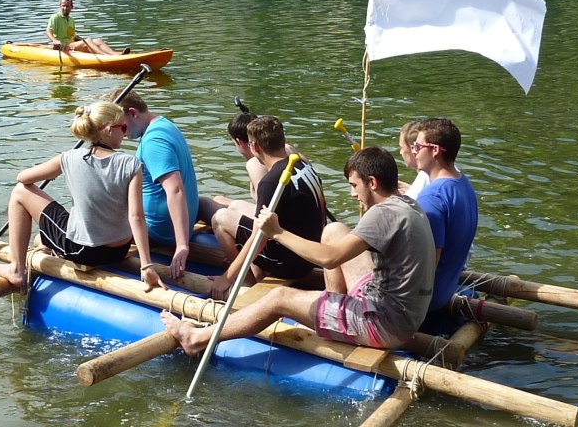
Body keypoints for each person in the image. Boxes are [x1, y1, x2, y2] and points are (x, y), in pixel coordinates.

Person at [160, 147, 435, 353]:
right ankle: (332, 311)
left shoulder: (383, 213)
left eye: (355, 186)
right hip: (403, 313)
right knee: (334, 231)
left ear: (373, 182)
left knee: (279, 297)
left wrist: (277, 232)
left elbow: (330, 258)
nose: (353, 194)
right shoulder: (407, 203)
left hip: (383, 325)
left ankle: (197, 339)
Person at [0, 102, 165, 292]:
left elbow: (22, 178)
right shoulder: (131, 163)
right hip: (119, 249)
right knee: (68, 216)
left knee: (20, 191)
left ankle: (16, 268)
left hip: (84, 252)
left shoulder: (68, 158)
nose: (125, 133)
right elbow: (136, 217)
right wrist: (146, 265)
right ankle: (41, 249)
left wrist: (54, 171)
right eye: (123, 128)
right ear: (109, 130)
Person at [207, 116, 326, 300]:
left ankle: (245, 283)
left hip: (292, 263)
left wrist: (226, 277)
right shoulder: (301, 164)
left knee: (220, 219)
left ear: (254, 147)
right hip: (312, 253)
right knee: (237, 208)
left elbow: (259, 238)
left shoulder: (271, 182)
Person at [109, 89, 199, 279]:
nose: (121, 133)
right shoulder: (164, 125)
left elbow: (175, 190)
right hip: (169, 226)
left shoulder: (153, 142)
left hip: (159, 232)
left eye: (122, 126)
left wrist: (182, 245)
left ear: (133, 113)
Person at [412, 118, 478, 329]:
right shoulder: (464, 184)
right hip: (447, 289)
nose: (414, 151)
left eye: (418, 146)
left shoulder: (432, 196)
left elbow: (429, 262)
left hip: (428, 300)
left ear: (435, 151)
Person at [198, 111, 307, 220]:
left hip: (277, 221)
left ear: (239, 142)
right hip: (303, 217)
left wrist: (231, 206)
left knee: (206, 204)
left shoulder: (254, 164)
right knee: (223, 200)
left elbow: (265, 209)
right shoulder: (288, 149)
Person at [46, 0, 130, 56]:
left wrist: (80, 39)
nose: (65, 8)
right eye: (63, 6)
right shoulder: (55, 17)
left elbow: (72, 35)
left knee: (98, 40)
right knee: (89, 40)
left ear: (72, 7)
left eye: (67, 6)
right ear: (60, 6)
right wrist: (54, 40)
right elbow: (48, 31)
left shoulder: (71, 20)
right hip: (64, 47)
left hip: (72, 44)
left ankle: (116, 54)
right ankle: (105, 56)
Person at [397, 121, 429, 199]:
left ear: (414, 148)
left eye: (402, 147)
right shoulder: (431, 171)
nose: (400, 152)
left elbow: (409, 204)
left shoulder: (424, 176)